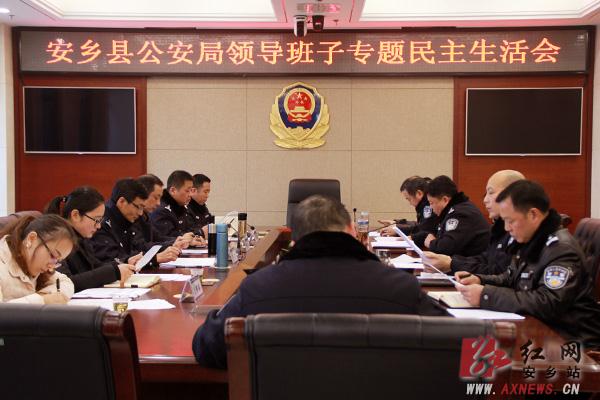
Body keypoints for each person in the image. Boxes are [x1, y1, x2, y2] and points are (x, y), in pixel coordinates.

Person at [192, 195, 446, 369]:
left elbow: (206, 347)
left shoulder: (258, 289)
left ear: (294, 239)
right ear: (352, 230)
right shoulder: (400, 288)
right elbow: (459, 344)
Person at [456, 180, 600, 348]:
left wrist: (486, 295)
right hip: (539, 329)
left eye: (510, 221)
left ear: (533, 214)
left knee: (474, 350)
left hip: (570, 342)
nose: (507, 228)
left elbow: (548, 302)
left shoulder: (561, 249)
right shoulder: (532, 239)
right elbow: (510, 277)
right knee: (468, 342)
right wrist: (479, 280)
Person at [424, 170, 524, 274]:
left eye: (491, 192)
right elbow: (486, 259)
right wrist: (452, 263)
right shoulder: (499, 228)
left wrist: (452, 264)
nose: (485, 200)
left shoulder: (462, 213)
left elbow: (500, 273)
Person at [46, 186, 139, 292]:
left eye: (100, 221)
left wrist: (123, 264)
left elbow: (95, 266)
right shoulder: (56, 240)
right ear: (75, 215)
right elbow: (65, 283)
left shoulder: (81, 238)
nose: (98, 226)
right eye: (96, 220)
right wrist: (115, 272)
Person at [91, 178, 180, 264]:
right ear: (122, 201)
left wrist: (171, 244)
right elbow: (114, 261)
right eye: (138, 207)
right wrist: (154, 259)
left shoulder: (126, 219)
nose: (140, 213)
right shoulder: (101, 223)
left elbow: (139, 247)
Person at [0, 214, 76, 303]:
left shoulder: (32, 265)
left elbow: (66, 282)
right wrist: (42, 300)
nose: (51, 267)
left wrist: (42, 296)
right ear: (31, 239)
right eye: (52, 255)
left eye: (57, 261)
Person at [412, 175, 490, 257]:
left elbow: (445, 248)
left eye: (432, 203)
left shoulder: (461, 214)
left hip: (472, 262)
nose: (431, 207)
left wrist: (431, 243)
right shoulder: (455, 209)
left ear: (445, 200)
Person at [135, 174, 191, 250]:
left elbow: (158, 238)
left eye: (160, 198)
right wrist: (173, 243)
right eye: (155, 198)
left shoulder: (145, 216)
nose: (158, 203)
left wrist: (180, 241)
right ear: (142, 195)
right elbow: (142, 246)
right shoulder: (133, 217)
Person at [151, 170, 205, 245]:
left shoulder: (182, 208)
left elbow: (188, 231)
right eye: (187, 191)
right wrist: (199, 233)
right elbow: (165, 238)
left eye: (191, 190)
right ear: (173, 190)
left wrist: (195, 237)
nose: (190, 195)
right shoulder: (161, 210)